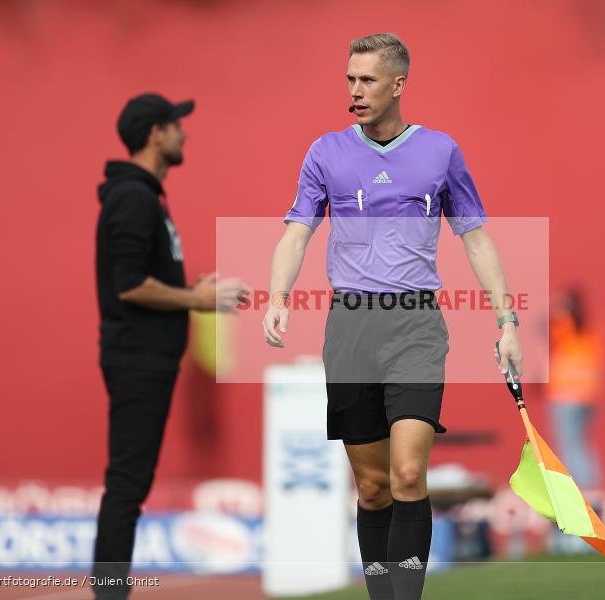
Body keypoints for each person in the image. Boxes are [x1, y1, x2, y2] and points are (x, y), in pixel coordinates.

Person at [262, 33, 523, 600]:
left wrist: (507, 323)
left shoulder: (441, 152)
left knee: (408, 474)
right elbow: (297, 232)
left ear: (398, 84)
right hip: (350, 327)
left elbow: (476, 239)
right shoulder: (325, 152)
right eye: (350, 80)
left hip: (416, 326)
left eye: (367, 80)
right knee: (373, 485)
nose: (355, 91)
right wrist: (278, 296)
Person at [92, 93, 249, 599]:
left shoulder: (144, 196)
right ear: (155, 134)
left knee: (130, 484)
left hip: (148, 359)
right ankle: (109, 592)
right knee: (127, 485)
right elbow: (129, 283)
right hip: (137, 359)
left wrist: (191, 293)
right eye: (176, 126)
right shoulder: (134, 198)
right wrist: (195, 298)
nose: (184, 133)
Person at [544, 287, 605, 553]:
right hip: (587, 393)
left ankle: (578, 515)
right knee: (580, 447)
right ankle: (591, 498)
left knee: (570, 452)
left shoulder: (564, 323)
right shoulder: (590, 324)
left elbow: (542, 328)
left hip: (566, 392)